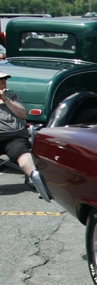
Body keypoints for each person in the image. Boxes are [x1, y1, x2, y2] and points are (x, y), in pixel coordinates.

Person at [0, 70, 50, 200]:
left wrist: (5, 100)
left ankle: (38, 182)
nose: (3, 82)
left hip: (14, 137)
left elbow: (22, 114)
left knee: (24, 158)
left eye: (4, 79)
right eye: (0, 80)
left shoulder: (12, 96)